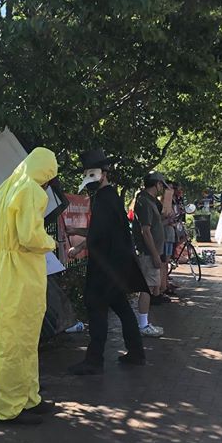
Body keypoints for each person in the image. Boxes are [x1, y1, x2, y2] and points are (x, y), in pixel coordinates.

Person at [0, 148, 58, 425]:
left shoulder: (6, 187)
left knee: (21, 336)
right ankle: (9, 407)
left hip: (6, 265)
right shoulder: (31, 190)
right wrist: (51, 243)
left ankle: (28, 397)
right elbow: (30, 236)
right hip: (23, 269)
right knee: (18, 339)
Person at [67, 149, 146, 374]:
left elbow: (98, 235)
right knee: (122, 308)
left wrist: (79, 245)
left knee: (97, 308)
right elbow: (102, 231)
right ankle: (136, 352)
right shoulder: (111, 197)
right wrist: (80, 234)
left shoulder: (103, 199)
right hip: (117, 266)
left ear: (102, 174)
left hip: (105, 269)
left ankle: (94, 361)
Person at [132, 172, 166, 337]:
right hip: (147, 253)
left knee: (151, 286)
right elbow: (145, 231)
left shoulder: (148, 201)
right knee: (147, 287)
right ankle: (143, 325)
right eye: (161, 185)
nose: (162, 189)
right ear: (157, 184)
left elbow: (151, 228)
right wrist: (154, 255)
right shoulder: (144, 202)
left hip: (151, 252)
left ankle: (144, 323)